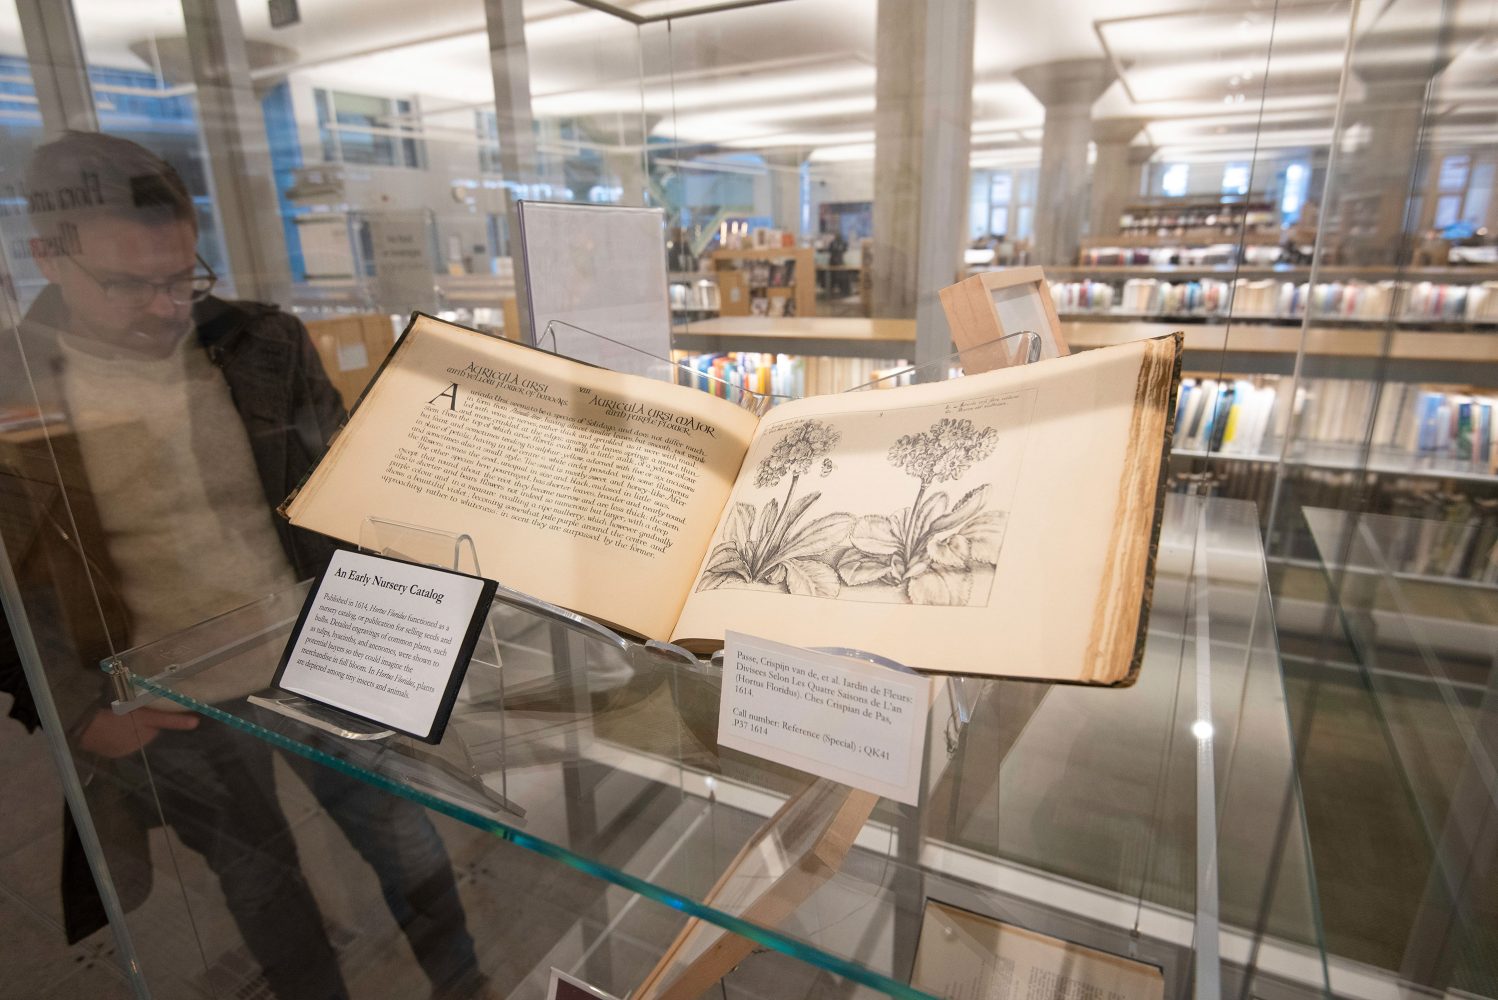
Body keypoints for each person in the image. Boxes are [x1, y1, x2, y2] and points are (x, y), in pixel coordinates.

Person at [0, 131, 483, 999]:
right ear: (45, 255)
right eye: (126, 283)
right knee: (261, 885)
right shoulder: (11, 385)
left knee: (408, 846)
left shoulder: (262, 342)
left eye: (182, 276)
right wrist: (78, 713)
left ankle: (468, 988)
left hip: (317, 655)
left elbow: (347, 493)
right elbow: (6, 581)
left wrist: (395, 629)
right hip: (165, 696)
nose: (162, 306)